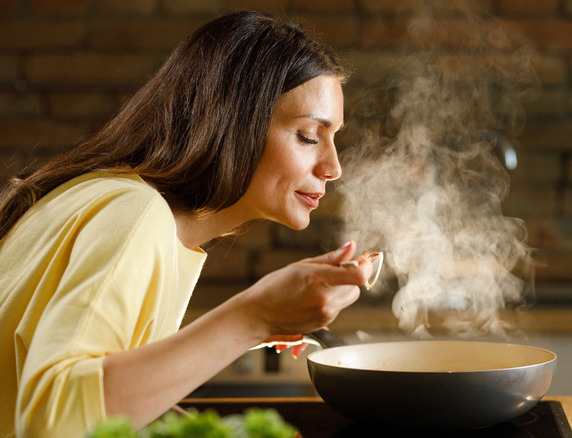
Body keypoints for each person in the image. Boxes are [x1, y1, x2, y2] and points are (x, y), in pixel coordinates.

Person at [0, 11, 373, 438]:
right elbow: (50, 421)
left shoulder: (116, 199)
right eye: (309, 135)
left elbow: (102, 411)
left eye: (334, 138)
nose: (333, 167)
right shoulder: (133, 214)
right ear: (235, 122)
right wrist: (253, 317)